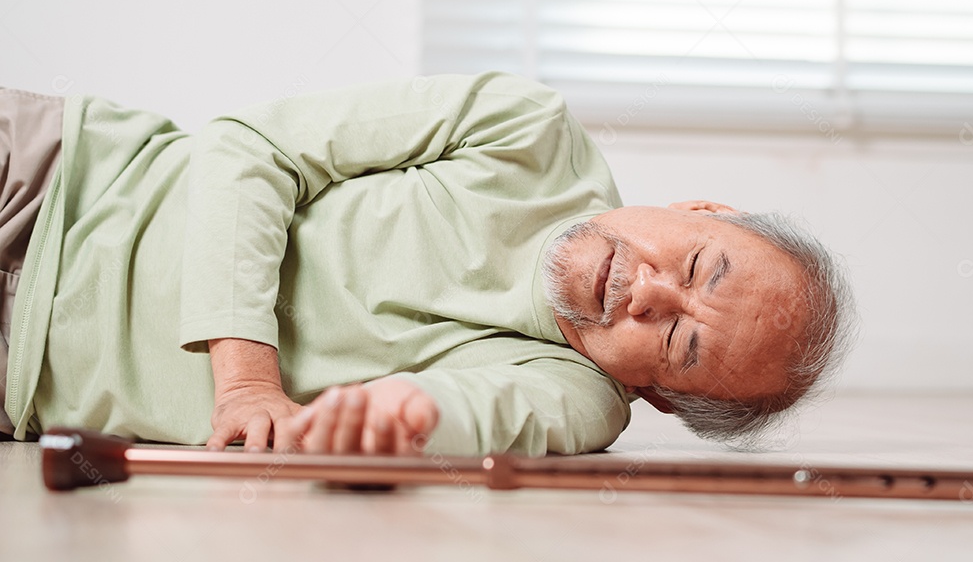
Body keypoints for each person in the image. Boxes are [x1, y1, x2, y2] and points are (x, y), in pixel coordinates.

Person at [0, 73, 853, 457]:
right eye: (698, 266)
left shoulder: (574, 402)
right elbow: (251, 145)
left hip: (19, 380)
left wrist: (380, 426)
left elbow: (442, 417)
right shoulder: (527, 130)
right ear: (701, 211)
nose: (651, 292)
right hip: (54, 177)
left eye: (679, 344)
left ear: (658, 395)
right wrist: (247, 381)